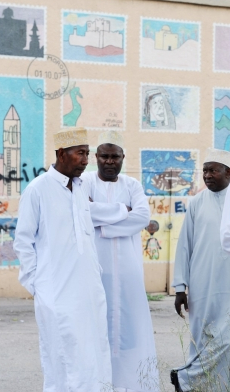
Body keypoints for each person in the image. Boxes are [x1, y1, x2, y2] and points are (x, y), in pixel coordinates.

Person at [14, 127, 112, 391]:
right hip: (55, 291)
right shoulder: (38, 189)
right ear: (61, 154)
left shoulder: (80, 189)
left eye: (87, 154)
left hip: (88, 291)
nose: (85, 160)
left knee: (93, 351)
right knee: (62, 355)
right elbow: (23, 241)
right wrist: (37, 285)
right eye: (80, 153)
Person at [81, 131, 159, 391]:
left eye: (115, 156)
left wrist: (102, 225)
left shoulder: (132, 185)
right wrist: (120, 212)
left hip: (128, 272)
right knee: (96, 329)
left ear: (123, 157)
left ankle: (130, 384)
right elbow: (82, 212)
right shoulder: (84, 182)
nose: (110, 161)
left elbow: (141, 218)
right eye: (105, 156)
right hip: (95, 270)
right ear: (96, 157)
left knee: (130, 330)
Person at [171, 148, 230, 392]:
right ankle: (194, 383)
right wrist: (179, 287)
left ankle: (193, 381)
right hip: (202, 282)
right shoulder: (196, 202)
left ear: (228, 172)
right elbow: (184, 245)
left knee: (228, 337)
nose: (207, 175)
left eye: (213, 170)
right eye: (205, 170)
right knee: (203, 337)